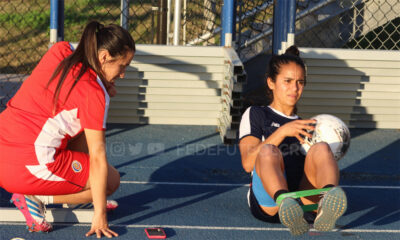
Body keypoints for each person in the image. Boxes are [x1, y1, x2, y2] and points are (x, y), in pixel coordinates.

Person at [0, 20, 135, 238]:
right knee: (110, 182)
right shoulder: (94, 94)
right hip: (24, 167)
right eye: (123, 66)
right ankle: (36, 197)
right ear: (104, 58)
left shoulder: (60, 50)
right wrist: (99, 213)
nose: (123, 74)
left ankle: (60, 189)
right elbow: (98, 157)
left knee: (79, 125)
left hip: (3, 147)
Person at [238, 46, 347, 236]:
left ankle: (327, 199)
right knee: (268, 151)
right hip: (270, 204)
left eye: (300, 82)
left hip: (303, 200)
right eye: (287, 81)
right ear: (271, 82)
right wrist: (281, 132)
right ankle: (284, 201)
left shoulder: (306, 124)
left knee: (321, 148)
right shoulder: (256, 114)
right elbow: (248, 164)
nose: (294, 88)